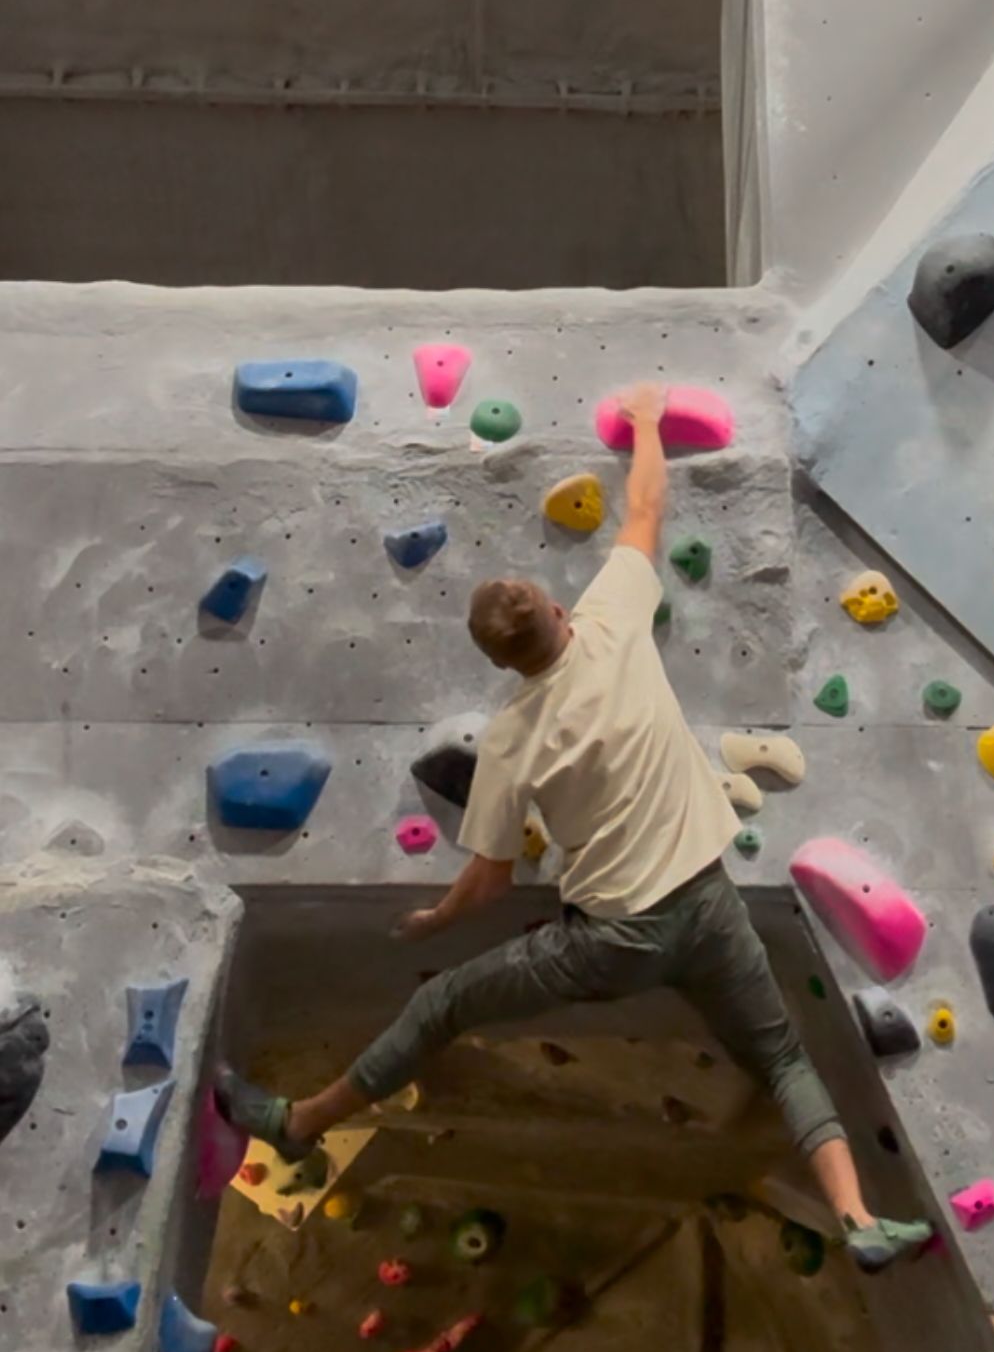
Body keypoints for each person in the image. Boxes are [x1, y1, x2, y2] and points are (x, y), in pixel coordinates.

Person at [216, 385, 931, 1272]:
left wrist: (438, 921)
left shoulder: (512, 736)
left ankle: (298, 1123)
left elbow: (490, 880)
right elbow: (644, 506)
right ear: (556, 612)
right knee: (781, 1055)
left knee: (442, 1002)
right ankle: (858, 1216)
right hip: (708, 906)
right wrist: (639, 422)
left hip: (615, 940)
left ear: (498, 660)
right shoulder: (614, 626)